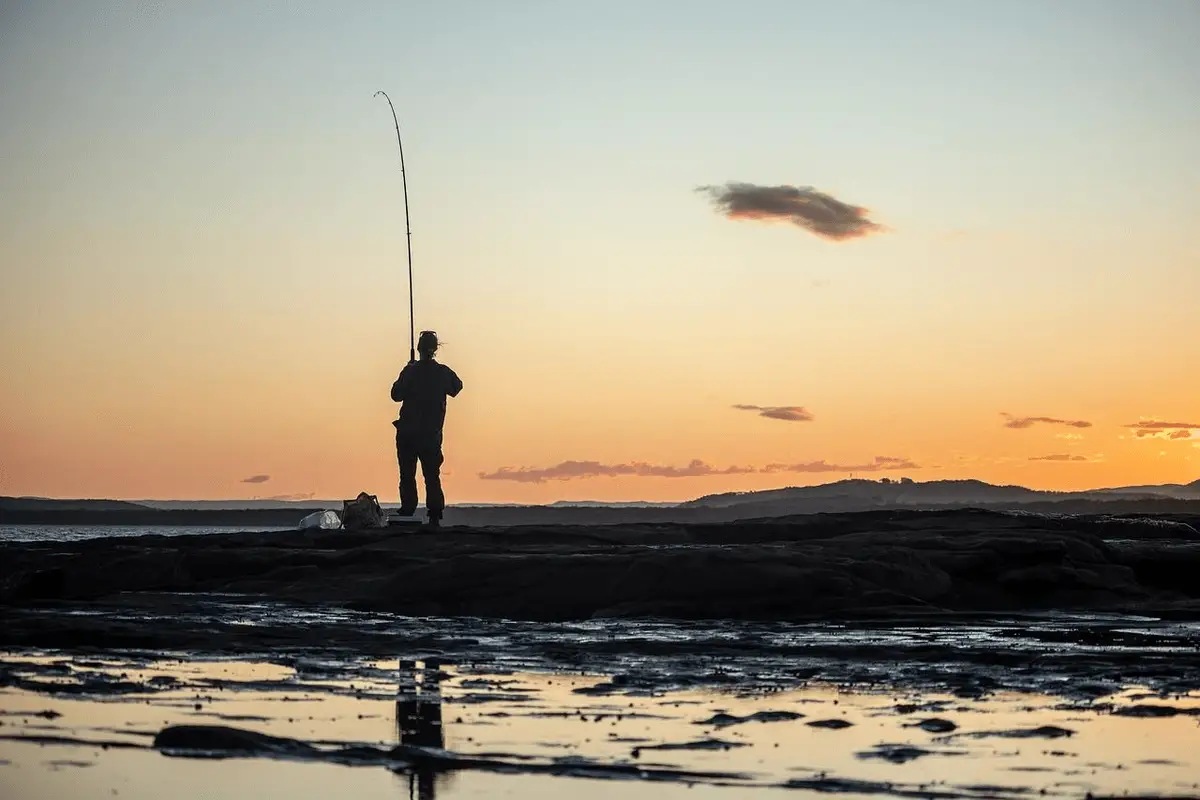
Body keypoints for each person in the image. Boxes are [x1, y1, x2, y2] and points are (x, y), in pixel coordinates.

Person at [390, 330, 462, 527]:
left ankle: (408, 509)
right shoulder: (443, 372)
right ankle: (435, 514)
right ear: (435, 350)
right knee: (431, 474)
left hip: (408, 433)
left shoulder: (410, 372)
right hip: (430, 434)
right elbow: (457, 387)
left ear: (419, 349)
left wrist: (408, 369)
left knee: (407, 473)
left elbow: (396, 394)